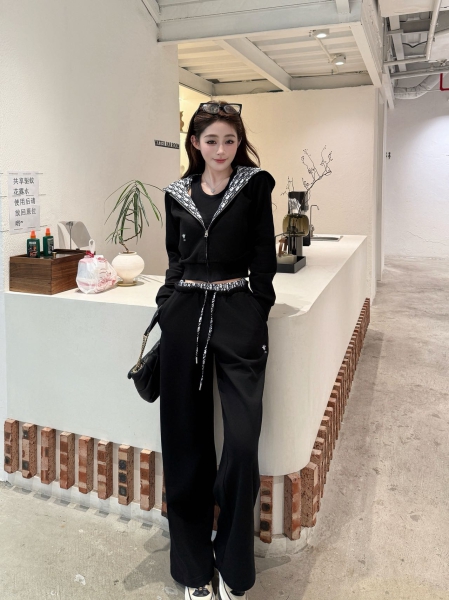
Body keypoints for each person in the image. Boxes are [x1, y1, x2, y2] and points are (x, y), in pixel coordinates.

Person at [155, 100, 277, 600]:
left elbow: (264, 257)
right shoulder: (177, 194)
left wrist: (255, 309)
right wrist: (167, 304)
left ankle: (233, 566)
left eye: (229, 140)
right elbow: (174, 258)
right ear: (195, 144)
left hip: (237, 317)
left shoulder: (254, 186)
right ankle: (192, 568)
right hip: (184, 319)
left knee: (242, 445)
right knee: (184, 444)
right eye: (212, 140)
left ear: (238, 142)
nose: (221, 149)